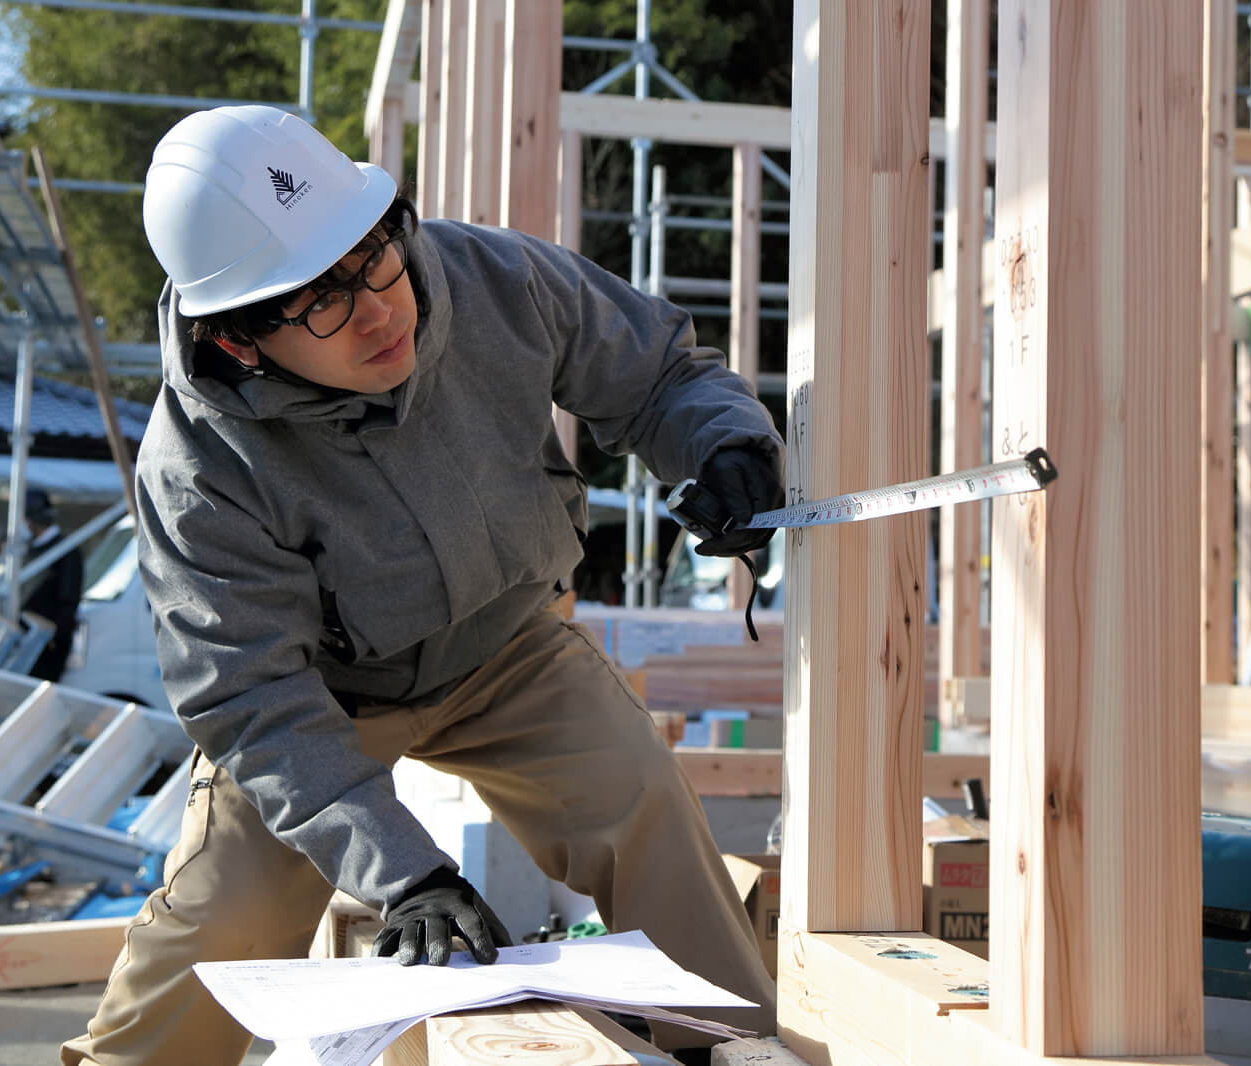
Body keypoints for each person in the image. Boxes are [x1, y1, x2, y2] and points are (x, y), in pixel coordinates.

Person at [61, 105, 783, 1066]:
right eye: (319, 299)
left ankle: (734, 1049)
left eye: (372, 257)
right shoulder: (200, 471)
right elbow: (253, 699)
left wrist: (723, 442)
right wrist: (404, 876)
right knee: (224, 919)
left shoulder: (497, 280)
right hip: (320, 705)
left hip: (507, 647)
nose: (376, 307)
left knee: (641, 803)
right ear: (237, 340)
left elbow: (656, 372)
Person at [21, 488, 83, 682]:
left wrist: (55, 636)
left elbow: (69, 598)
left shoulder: (65, 551)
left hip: (47, 645)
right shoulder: (29, 549)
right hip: (26, 637)